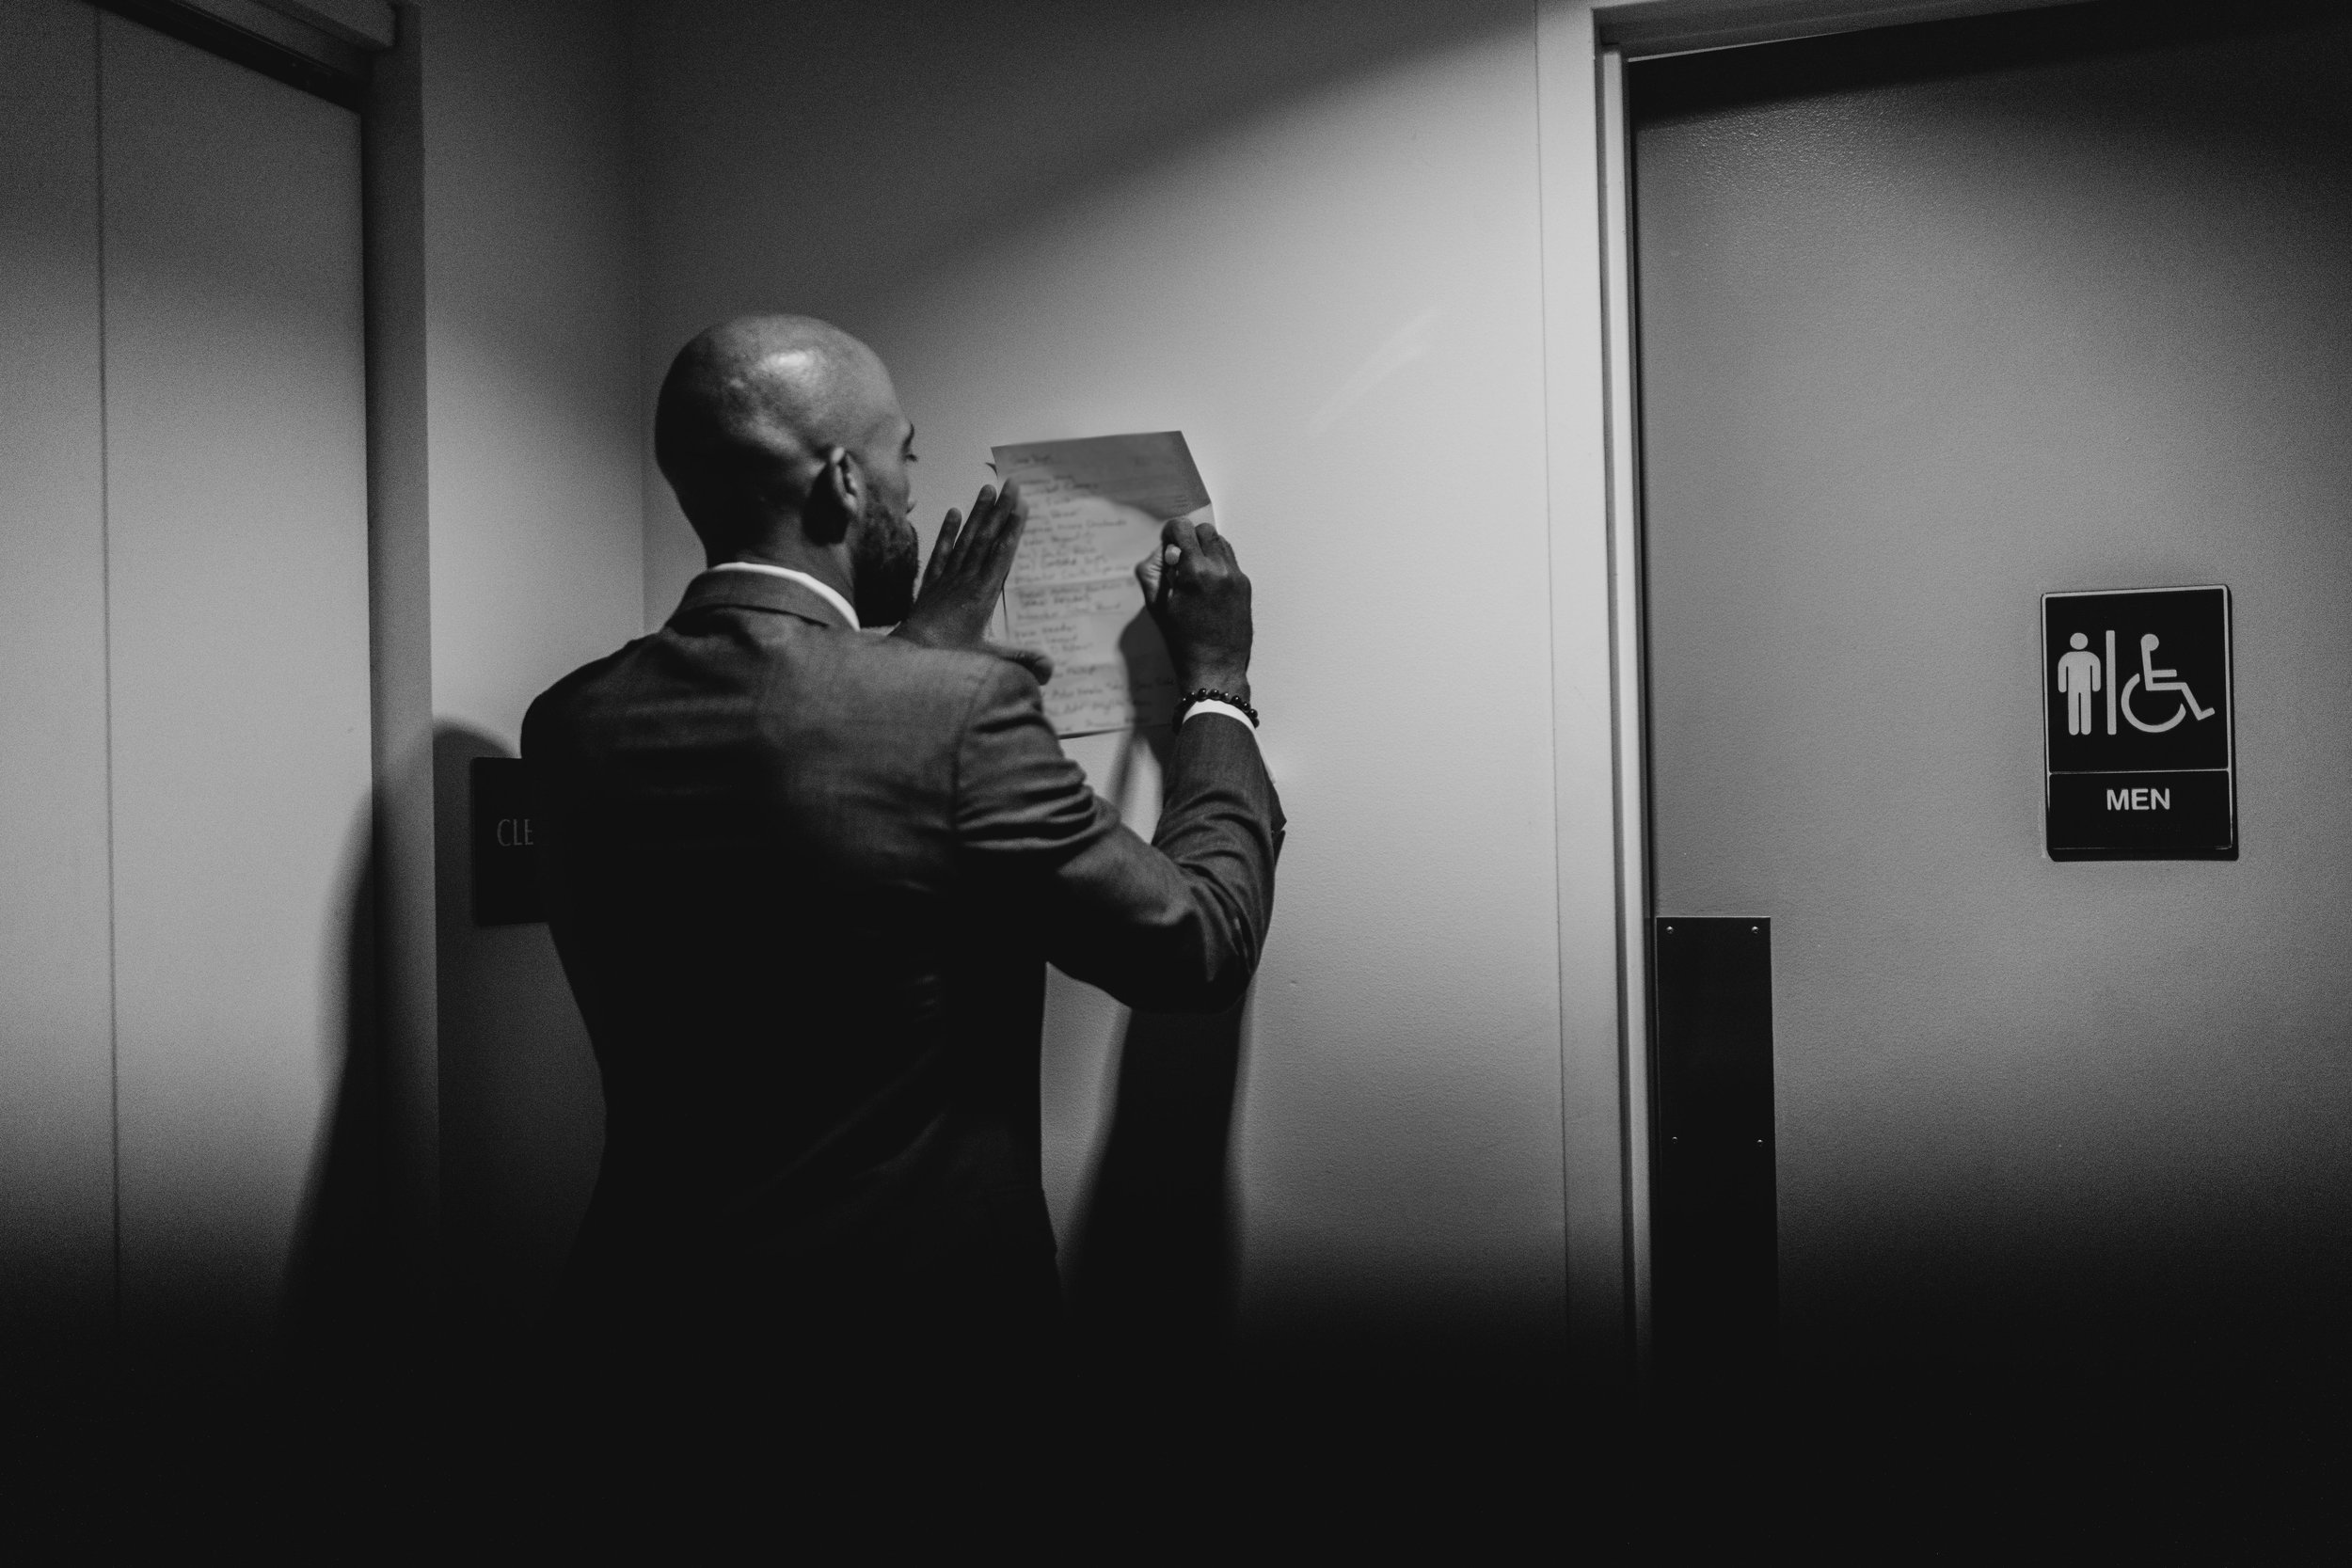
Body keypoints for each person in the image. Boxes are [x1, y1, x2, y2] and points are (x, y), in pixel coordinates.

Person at [521, 316, 1282, 1457]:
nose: (915, 493)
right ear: (839, 479)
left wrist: (917, 655)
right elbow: (1196, 942)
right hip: (910, 1372)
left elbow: (797, 856)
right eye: (907, 457)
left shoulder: (571, 721)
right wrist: (1216, 687)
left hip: (640, 1353)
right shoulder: (950, 711)